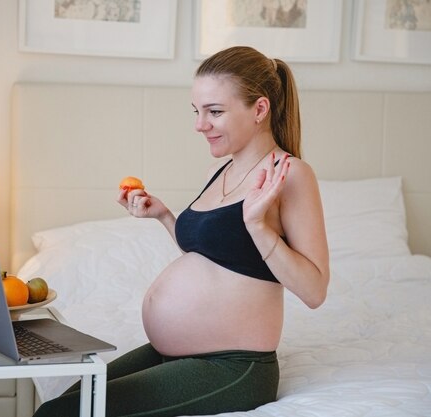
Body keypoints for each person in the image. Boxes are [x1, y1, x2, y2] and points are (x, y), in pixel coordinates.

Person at [33, 45, 330, 416]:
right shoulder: (218, 172)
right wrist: (164, 216)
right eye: (197, 111)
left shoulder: (291, 175)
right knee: (62, 403)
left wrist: (258, 226)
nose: (200, 125)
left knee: (60, 415)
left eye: (215, 112)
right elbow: (217, 257)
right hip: (172, 352)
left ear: (259, 109)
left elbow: (315, 290)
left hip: (233, 365)